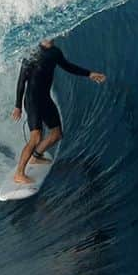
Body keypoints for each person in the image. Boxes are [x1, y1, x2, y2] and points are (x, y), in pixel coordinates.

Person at [11, 38, 106, 185]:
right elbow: (21, 81)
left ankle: (36, 156)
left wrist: (89, 74)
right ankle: (19, 173)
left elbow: (68, 67)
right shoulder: (32, 53)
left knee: (56, 134)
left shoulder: (55, 53)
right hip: (33, 100)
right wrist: (17, 106)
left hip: (45, 99)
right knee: (35, 137)